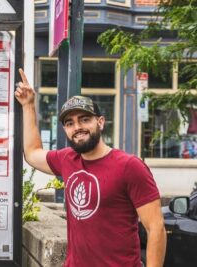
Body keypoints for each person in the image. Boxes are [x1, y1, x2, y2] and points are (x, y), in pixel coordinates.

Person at [14, 69, 166, 267]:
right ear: (65, 130)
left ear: (100, 122)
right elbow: (32, 153)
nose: (77, 127)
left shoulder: (129, 166)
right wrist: (28, 105)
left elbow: (156, 228)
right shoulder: (67, 159)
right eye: (70, 123)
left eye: (84, 119)